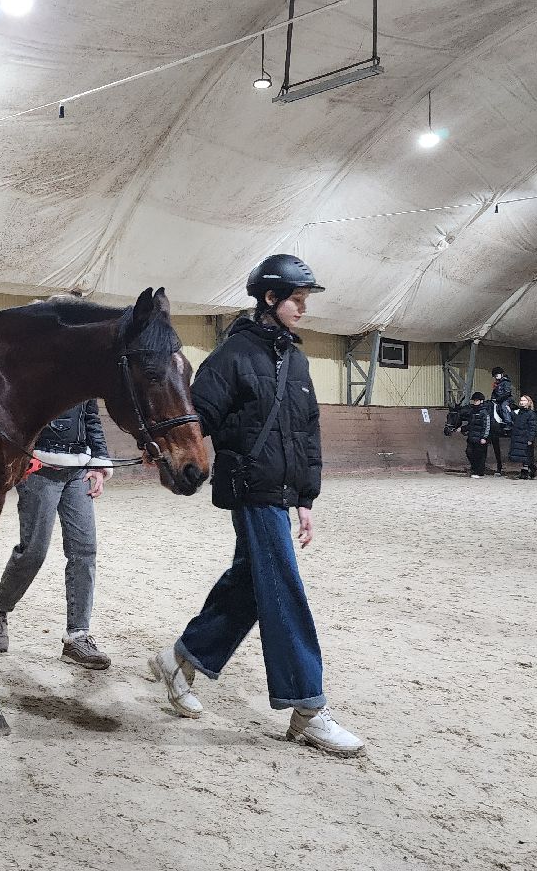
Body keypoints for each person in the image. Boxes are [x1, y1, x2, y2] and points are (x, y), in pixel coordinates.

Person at [149, 254, 364, 757]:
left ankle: (182, 658)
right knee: (284, 589)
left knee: (250, 582)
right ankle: (308, 707)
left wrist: (305, 497)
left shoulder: (299, 359)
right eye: (297, 299)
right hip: (251, 490)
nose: (303, 309)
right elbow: (199, 422)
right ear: (270, 299)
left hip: (282, 492)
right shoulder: (231, 358)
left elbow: (306, 430)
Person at [0, 398, 114, 669]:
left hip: (78, 469)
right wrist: (20, 453)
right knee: (34, 550)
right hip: (39, 467)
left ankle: (78, 636)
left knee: (84, 550)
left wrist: (99, 462)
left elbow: (91, 416)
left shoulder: (85, 365)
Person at [488, 367, 514, 475]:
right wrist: (492, 399)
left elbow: (507, 393)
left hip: (506, 400)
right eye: (495, 375)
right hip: (498, 400)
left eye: (497, 375)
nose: (496, 377)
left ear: (501, 374)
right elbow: (494, 393)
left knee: (503, 408)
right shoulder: (496, 384)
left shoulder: (506, 382)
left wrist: (498, 399)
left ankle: (508, 423)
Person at [507, 394, 537, 480]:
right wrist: (509, 411)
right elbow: (516, 420)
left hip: (525, 437)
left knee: (526, 455)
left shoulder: (531, 414)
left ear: (529, 402)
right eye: (521, 400)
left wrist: (530, 438)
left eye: (524, 400)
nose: (521, 402)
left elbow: (533, 427)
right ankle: (527, 471)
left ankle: (527, 471)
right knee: (523, 455)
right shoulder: (519, 412)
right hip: (519, 436)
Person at [462, 391, 491, 477]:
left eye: (477, 400)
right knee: (469, 452)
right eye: (474, 401)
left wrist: (484, 437)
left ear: (481, 401)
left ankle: (479, 471)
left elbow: (487, 425)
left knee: (480, 454)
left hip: (480, 437)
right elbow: (470, 424)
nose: (475, 402)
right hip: (471, 436)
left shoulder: (484, 412)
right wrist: (462, 428)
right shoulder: (472, 412)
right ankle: (474, 468)